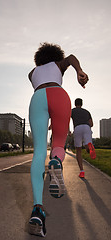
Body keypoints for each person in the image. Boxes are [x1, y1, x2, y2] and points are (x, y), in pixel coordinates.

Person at [28, 42, 89, 237]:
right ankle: (56, 160)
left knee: (38, 151)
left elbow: (39, 87)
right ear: (56, 56)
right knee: (58, 142)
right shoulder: (58, 64)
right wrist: (79, 71)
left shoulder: (32, 72)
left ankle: (38, 209)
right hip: (59, 95)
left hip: (37, 98)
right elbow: (71, 57)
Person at [71, 98, 96, 178]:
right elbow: (91, 124)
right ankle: (89, 146)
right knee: (87, 144)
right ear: (82, 104)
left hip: (77, 128)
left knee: (78, 150)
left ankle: (82, 171)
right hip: (87, 127)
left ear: (75, 104)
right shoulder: (87, 112)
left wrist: (68, 131)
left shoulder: (72, 111)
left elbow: (67, 119)